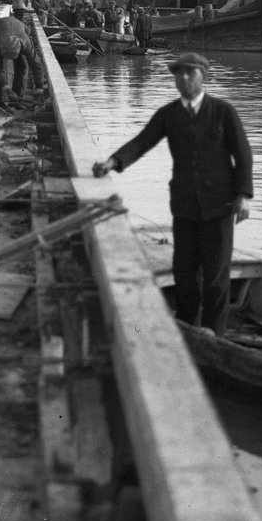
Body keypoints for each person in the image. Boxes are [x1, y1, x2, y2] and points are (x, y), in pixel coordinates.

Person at [92, 52, 252, 333]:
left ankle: (217, 335)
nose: (185, 78)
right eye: (179, 73)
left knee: (216, 277)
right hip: (185, 206)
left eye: (191, 73)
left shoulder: (224, 112)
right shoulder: (169, 114)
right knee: (184, 273)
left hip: (220, 207)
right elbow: (142, 141)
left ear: (204, 76)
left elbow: (243, 155)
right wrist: (112, 162)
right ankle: (188, 329)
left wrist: (243, 195)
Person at [0, 11, 47, 107]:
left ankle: (16, 100)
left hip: (20, 30)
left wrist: (39, 87)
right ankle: (0, 102)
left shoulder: (26, 43)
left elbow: (36, 64)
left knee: (22, 66)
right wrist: (7, 89)